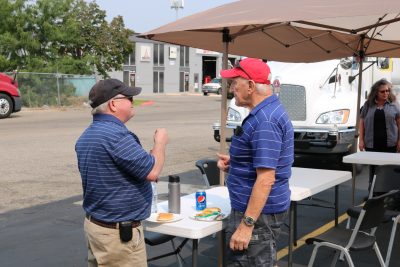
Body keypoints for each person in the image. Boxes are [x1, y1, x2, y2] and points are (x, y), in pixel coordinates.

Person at [75, 79, 168, 267]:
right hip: (117, 236)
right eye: (129, 98)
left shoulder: (89, 135)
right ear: (113, 104)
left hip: (98, 227)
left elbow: (131, 168)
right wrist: (160, 142)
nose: (133, 102)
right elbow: (152, 171)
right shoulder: (116, 135)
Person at [217, 58, 294, 266]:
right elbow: (267, 162)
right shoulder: (266, 113)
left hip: (258, 217)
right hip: (262, 213)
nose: (231, 88)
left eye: (235, 82)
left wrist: (246, 225)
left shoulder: (265, 120)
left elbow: (266, 178)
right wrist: (238, 162)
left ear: (250, 86)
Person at [359, 78, 400, 153]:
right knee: (373, 164)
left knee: (388, 164)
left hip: (390, 145)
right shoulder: (368, 105)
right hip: (371, 144)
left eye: (387, 91)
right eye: (382, 91)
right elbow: (362, 122)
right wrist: (361, 140)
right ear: (376, 92)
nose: (385, 93)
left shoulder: (394, 104)